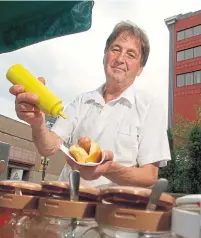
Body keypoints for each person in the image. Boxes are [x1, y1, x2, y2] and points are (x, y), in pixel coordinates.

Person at [10, 21, 171, 188]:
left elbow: (150, 176)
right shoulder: (82, 101)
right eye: (115, 49)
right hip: (67, 205)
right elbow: (48, 147)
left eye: (131, 54)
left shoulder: (151, 106)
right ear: (104, 56)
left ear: (139, 69)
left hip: (111, 210)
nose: (120, 59)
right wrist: (38, 123)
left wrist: (107, 168)